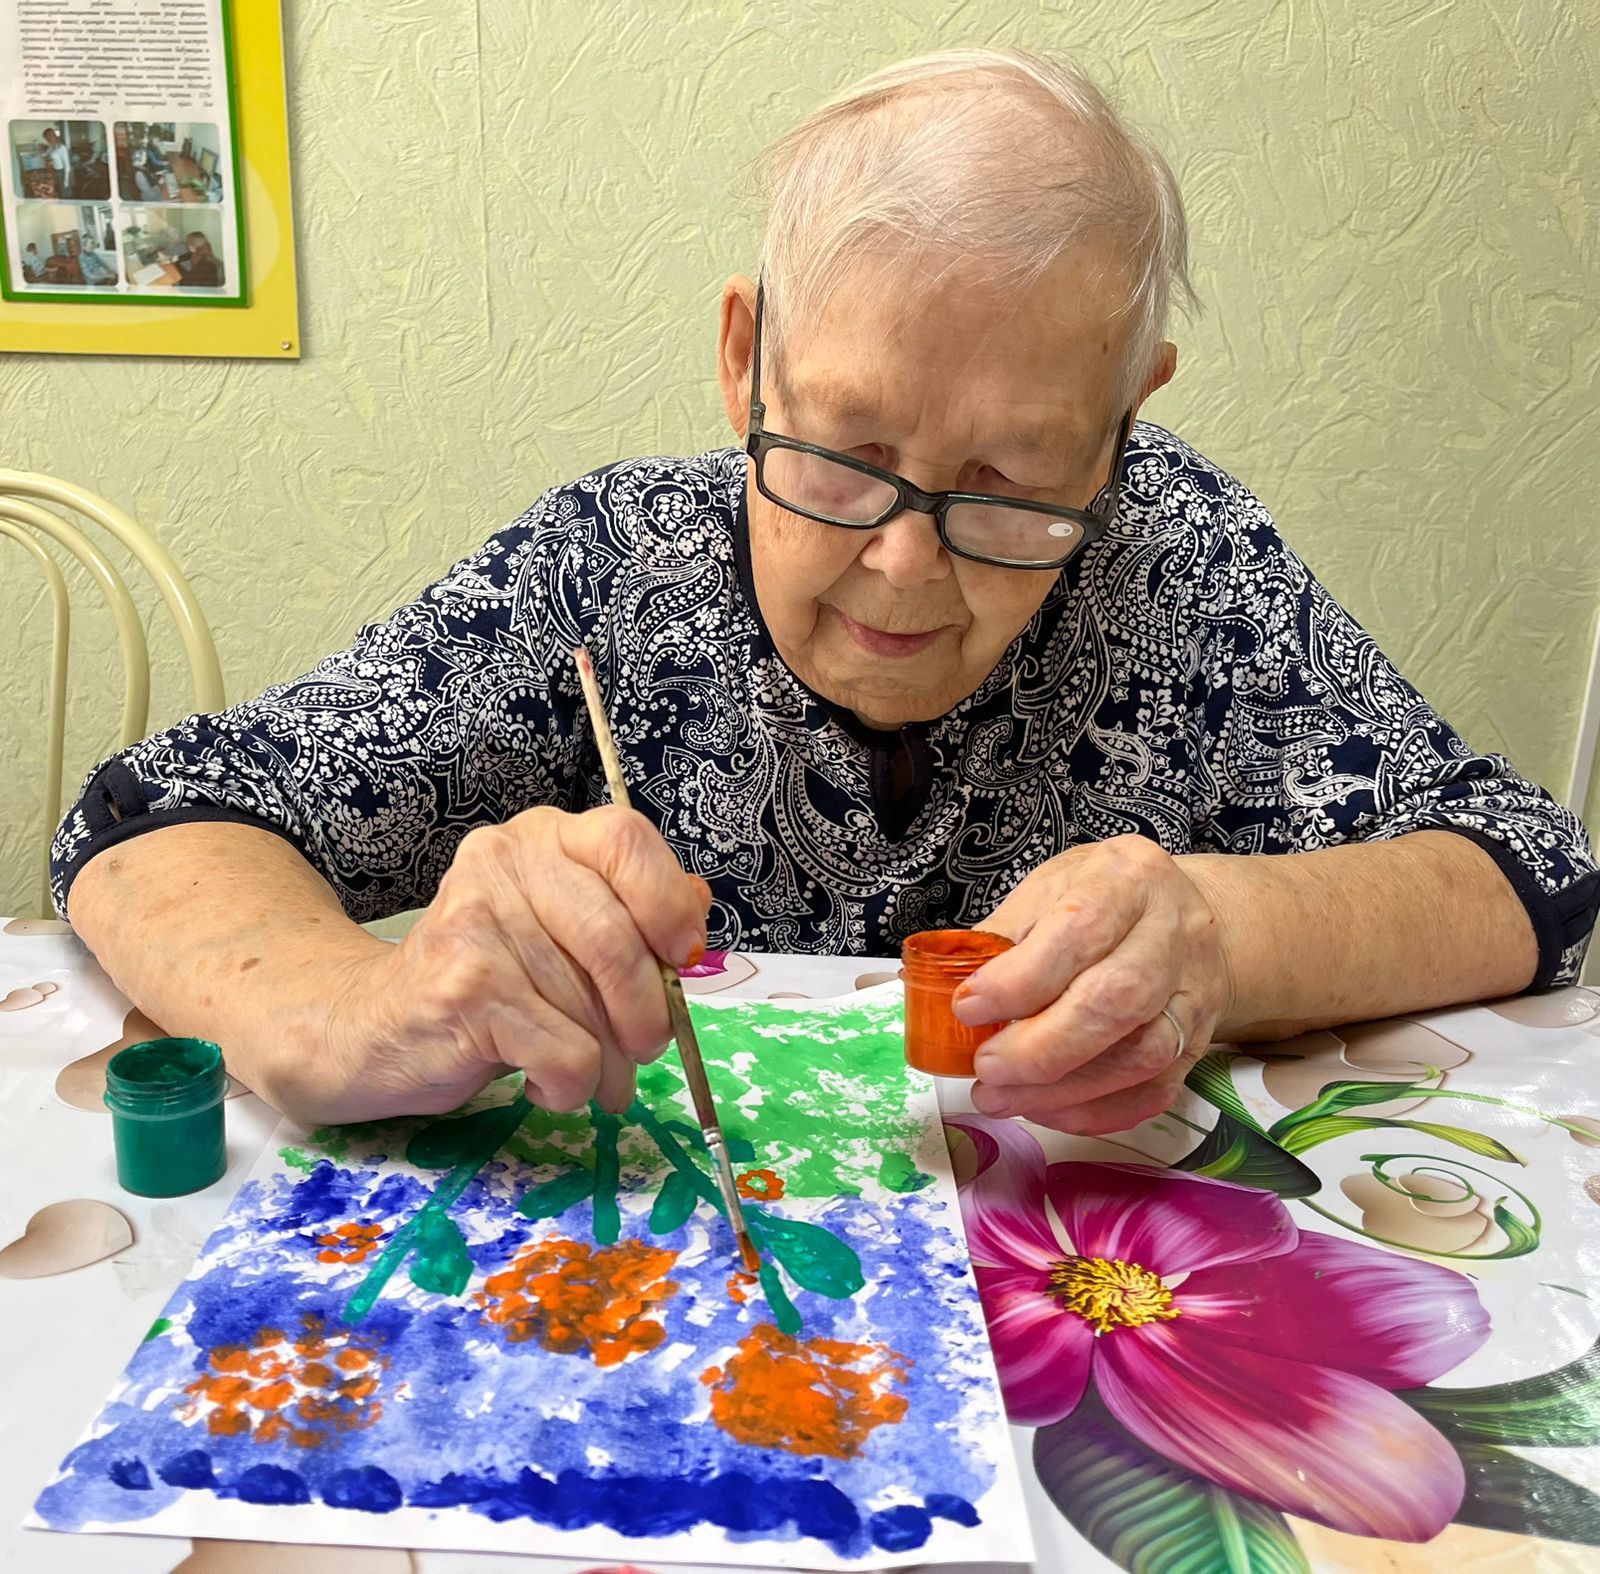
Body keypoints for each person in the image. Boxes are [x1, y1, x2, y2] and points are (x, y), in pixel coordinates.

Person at [55, 48, 1596, 1134]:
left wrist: (1226, 933)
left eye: (1010, 481)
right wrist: (342, 1006)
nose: (906, 565)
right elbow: (143, 823)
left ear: (1126, 425)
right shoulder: (610, 567)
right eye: (847, 453)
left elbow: (1529, 871)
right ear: (744, 360)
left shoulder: (1183, 559)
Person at [40, 127, 71, 197]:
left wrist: (66, 181)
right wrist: (37, 154)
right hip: (56, 171)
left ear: (52, 137)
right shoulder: (52, 147)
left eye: (47, 138)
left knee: (65, 192)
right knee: (58, 190)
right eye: (45, 139)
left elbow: (67, 167)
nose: (46, 140)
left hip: (63, 172)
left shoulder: (62, 148)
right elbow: (45, 154)